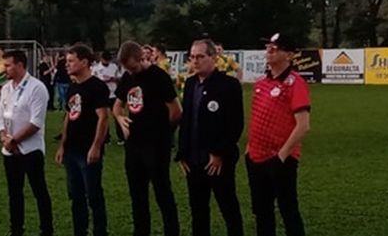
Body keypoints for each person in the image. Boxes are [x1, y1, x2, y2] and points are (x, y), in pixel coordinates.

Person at [114, 41, 181, 236]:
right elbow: (117, 105)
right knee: (137, 195)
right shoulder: (128, 77)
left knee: (162, 192)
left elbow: (176, 111)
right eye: (127, 69)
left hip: (156, 144)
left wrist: (165, 132)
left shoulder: (159, 77)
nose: (131, 72)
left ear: (142, 58)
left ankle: (172, 231)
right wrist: (120, 118)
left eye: (133, 67)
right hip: (134, 144)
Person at [178, 39, 244, 236]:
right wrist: (182, 153)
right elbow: (186, 120)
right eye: (192, 57)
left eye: (200, 56)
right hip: (193, 159)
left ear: (214, 58)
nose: (195, 61)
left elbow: (235, 124)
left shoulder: (229, 85)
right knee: (198, 210)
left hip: (218, 160)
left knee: (228, 205)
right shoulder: (190, 84)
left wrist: (219, 152)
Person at [246, 33, 310, 236]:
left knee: (288, 210)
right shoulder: (261, 83)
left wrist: (282, 156)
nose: (270, 50)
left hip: (281, 159)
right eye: (268, 47)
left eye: (276, 48)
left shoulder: (295, 83)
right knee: (262, 212)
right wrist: (249, 150)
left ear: (289, 55)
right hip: (256, 157)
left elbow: (303, 126)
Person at [0, 50, 53, 236]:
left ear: (20, 65)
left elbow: (36, 122)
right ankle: (16, 229)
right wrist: (4, 137)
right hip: (9, 150)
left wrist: (15, 140)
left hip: (30, 150)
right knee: (14, 193)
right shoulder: (6, 88)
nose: (5, 69)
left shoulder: (37, 88)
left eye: (8, 65)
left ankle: (46, 230)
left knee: (39, 191)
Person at [56, 44, 108, 236]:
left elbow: (103, 117)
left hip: (88, 149)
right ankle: (80, 230)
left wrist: (96, 146)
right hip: (72, 149)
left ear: (84, 62)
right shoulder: (73, 86)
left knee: (93, 194)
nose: (67, 64)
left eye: (71, 61)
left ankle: (100, 231)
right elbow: (69, 116)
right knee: (75, 195)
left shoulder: (97, 87)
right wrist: (63, 145)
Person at [92, 51, 124, 144]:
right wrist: (103, 81)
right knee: (103, 117)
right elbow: (93, 80)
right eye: (105, 60)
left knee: (117, 115)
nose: (107, 62)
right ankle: (106, 138)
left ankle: (121, 137)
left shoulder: (113, 66)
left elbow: (119, 77)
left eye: (108, 60)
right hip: (102, 95)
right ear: (101, 59)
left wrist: (113, 79)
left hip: (113, 94)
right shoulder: (96, 68)